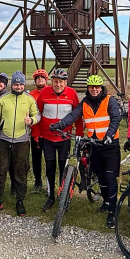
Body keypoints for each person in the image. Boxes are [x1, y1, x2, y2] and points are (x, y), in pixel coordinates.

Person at [49, 74, 122, 229]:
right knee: (101, 177)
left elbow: (116, 118)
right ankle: (106, 202)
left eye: (97, 87)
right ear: (88, 88)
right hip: (93, 144)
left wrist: (109, 135)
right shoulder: (85, 103)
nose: (94, 90)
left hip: (109, 145)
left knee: (110, 177)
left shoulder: (110, 100)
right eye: (91, 87)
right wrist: (60, 125)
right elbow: (73, 116)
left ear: (101, 88)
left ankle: (112, 211)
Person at [0, 71, 40, 218]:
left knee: (20, 171)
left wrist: (32, 121)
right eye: (16, 84)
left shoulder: (29, 99)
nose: (18, 86)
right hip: (3, 140)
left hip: (22, 141)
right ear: (12, 85)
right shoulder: (3, 99)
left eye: (21, 84)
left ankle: (20, 201)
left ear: (24, 84)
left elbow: (37, 115)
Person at [34, 68, 81, 211]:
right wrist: (36, 134)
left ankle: (63, 194)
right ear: (51, 82)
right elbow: (37, 114)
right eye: (55, 81)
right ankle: (51, 197)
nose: (58, 84)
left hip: (64, 138)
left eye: (61, 82)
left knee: (63, 167)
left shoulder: (72, 93)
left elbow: (77, 116)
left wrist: (79, 134)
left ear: (66, 82)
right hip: (47, 138)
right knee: (49, 167)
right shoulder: (44, 93)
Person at [28, 68, 49, 194]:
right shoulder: (30, 95)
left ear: (46, 80)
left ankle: (49, 183)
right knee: (36, 159)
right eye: (38, 78)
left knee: (49, 159)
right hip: (35, 132)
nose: (40, 80)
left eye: (42, 78)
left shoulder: (50, 92)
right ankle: (37, 181)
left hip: (48, 132)